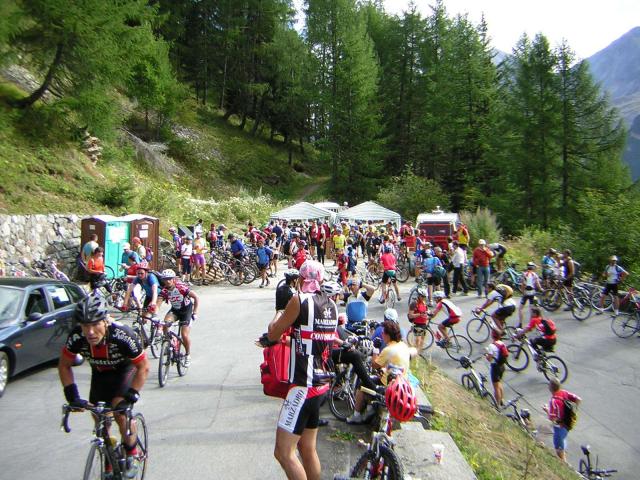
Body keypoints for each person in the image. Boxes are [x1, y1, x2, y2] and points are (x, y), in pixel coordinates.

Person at [58, 294, 149, 479]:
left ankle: (132, 453)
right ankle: (109, 454)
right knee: (99, 416)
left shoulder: (122, 335)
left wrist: (132, 395)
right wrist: (72, 396)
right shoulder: (77, 336)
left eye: (95, 324)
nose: (90, 332)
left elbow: (143, 367)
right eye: (85, 326)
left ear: (105, 321)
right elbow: (64, 365)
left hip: (125, 370)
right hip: (100, 373)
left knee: (119, 412)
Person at [267, 261, 338, 480]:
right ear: (321, 280)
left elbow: (273, 333)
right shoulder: (332, 305)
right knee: (307, 449)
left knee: (283, 452)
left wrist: (279, 311)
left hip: (303, 386)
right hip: (322, 383)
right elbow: (311, 339)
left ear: (300, 278)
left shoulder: (299, 300)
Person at [347, 320, 413, 424]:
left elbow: (374, 365)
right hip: (402, 383)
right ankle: (369, 409)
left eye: (383, 333)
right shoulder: (403, 345)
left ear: (388, 335)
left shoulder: (389, 349)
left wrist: (375, 349)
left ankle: (356, 415)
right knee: (375, 378)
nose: (382, 335)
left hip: (390, 386)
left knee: (363, 384)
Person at [158, 269, 199, 368]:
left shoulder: (181, 288)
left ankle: (187, 355)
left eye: (170, 279)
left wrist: (195, 312)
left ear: (173, 279)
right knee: (165, 324)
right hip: (175, 310)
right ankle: (168, 343)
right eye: (165, 279)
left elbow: (196, 297)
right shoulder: (164, 291)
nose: (168, 281)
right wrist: (154, 314)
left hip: (186, 311)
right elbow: (157, 304)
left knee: (184, 335)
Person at [542, 379, 581, 462]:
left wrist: (546, 410)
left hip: (559, 428)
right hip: (568, 424)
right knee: (562, 442)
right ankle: (563, 454)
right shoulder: (564, 393)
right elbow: (578, 399)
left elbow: (552, 418)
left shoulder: (553, 401)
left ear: (550, 388)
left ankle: (565, 464)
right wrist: (572, 412)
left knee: (559, 450)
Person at [484, 329, 508, 406]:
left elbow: (489, 359)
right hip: (502, 366)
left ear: (492, 335)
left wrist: (486, 354)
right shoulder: (502, 343)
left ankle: (497, 404)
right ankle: (502, 400)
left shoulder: (491, 346)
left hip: (495, 367)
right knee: (499, 382)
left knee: (496, 387)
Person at [518, 262, 542, 327]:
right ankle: (530, 324)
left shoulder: (524, 274)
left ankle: (520, 324)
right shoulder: (535, 275)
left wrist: (522, 292)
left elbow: (523, 284)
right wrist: (541, 289)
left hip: (526, 293)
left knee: (520, 308)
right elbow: (537, 284)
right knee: (531, 309)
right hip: (532, 292)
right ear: (533, 268)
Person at [407, 287, 430, 352]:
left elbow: (426, 310)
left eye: (425, 297)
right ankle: (416, 354)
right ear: (419, 295)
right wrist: (420, 314)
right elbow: (410, 315)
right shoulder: (414, 303)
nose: (424, 298)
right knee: (418, 340)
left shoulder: (424, 303)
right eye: (422, 296)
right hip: (417, 324)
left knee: (422, 340)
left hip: (424, 323)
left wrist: (428, 313)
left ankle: (419, 352)